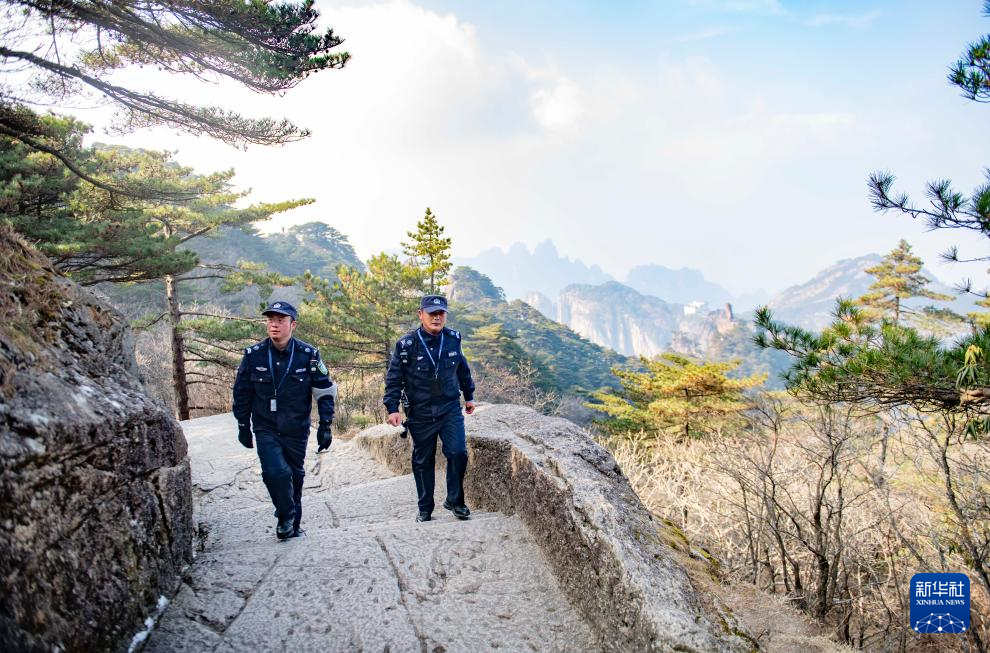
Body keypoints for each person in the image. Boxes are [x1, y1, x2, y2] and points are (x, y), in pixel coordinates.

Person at [232, 301, 336, 540]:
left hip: (296, 427)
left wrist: (325, 425)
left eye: (280, 320)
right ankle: (285, 515)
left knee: (295, 476)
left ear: (293, 324)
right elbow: (242, 392)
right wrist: (242, 425)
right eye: (271, 320)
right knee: (275, 472)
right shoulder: (253, 355)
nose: (274, 325)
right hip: (265, 426)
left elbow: (324, 390)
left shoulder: (309, 355)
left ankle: (293, 526)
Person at [384, 295, 476, 522]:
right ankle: (425, 508)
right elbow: (394, 379)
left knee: (458, 452)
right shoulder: (406, 345)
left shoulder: (453, 338)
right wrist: (392, 408)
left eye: (441, 313)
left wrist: (469, 395)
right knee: (423, 460)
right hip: (420, 411)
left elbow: (462, 369)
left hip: (449, 408)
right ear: (421, 314)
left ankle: (455, 501)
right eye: (431, 313)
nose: (436, 317)